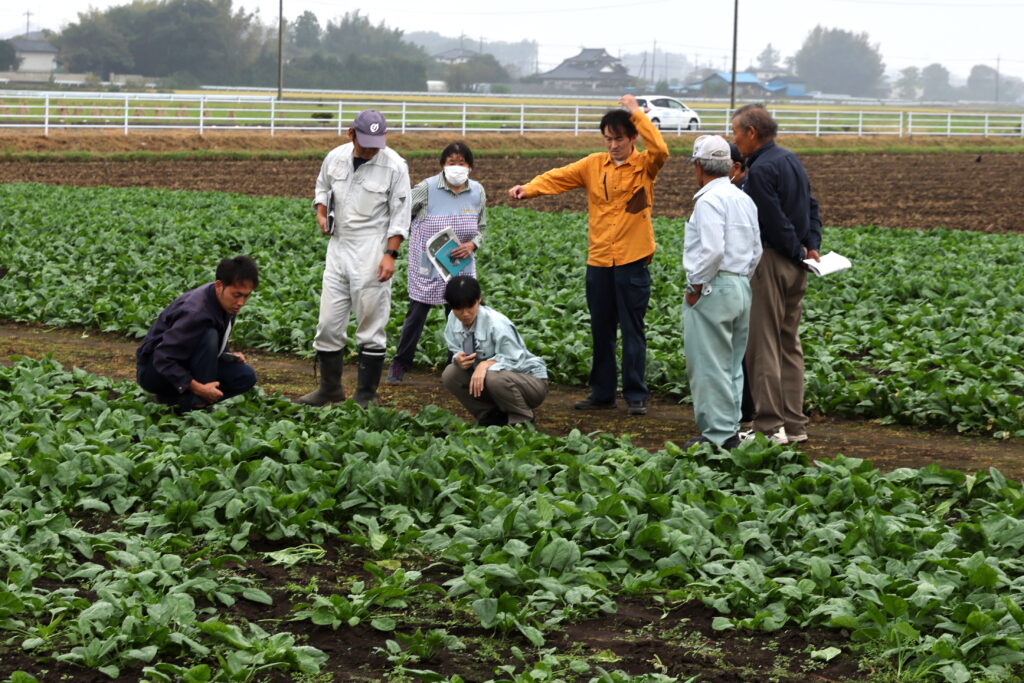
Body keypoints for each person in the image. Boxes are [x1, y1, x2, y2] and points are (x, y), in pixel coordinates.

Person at [507, 94, 668, 416]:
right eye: (608, 139)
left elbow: (661, 149)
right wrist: (530, 188)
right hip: (599, 261)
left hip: (632, 261)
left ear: (632, 137)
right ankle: (603, 393)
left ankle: (636, 395)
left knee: (633, 330)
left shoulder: (645, 166)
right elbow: (559, 176)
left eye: (618, 139)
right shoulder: (594, 165)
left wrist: (636, 113)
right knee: (601, 329)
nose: (612, 146)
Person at [298, 109, 411, 408]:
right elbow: (322, 187)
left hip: (372, 248)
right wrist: (321, 213)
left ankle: (365, 395)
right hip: (338, 247)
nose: (372, 149)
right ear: (351, 134)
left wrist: (390, 254)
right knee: (328, 323)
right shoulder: (334, 157)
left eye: (377, 143)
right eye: (366, 143)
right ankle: (330, 389)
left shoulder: (395, 166)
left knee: (371, 324)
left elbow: (400, 216)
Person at [731, 104, 822, 445]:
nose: (734, 139)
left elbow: (771, 220)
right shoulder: (790, 160)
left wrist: (793, 249)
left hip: (771, 260)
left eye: (736, 131)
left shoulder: (761, 170)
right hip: (798, 265)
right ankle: (795, 425)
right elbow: (811, 205)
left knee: (762, 347)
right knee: (789, 345)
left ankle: (770, 428)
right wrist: (810, 246)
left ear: (751, 133)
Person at [681, 136, 762, 450]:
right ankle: (729, 430)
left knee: (708, 363)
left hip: (714, 285)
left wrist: (696, 286)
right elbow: (755, 250)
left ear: (699, 167)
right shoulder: (743, 198)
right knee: (730, 363)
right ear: (730, 166)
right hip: (741, 284)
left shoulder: (709, 200)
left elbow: (712, 250)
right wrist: (740, 278)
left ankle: (716, 435)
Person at [386, 142, 487, 384]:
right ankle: (400, 364)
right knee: (416, 315)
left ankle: (456, 366)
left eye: (462, 163)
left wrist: (472, 244)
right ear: (442, 165)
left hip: (460, 266)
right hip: (427, 265)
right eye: (452, 162)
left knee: (461, 315)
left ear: (470, 167)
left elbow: (481, 227)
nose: (457, 167)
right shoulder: (427, 188)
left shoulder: (477, 191)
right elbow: (401, 215)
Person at [136, 255, 259, 411]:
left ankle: (177, 401)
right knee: (209, 335)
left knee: (245, 376)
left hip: (186, 362)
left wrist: (227, 354)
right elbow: (163, 358)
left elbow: (207, 340)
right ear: (219, 285)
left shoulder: (225, 301)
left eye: (246, 295)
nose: (241, 302)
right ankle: (197, 402)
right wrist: (199, 388)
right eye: (237, 295)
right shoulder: (196, 312)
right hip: (154, 371)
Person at [441, 275, 548, 427]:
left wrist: (485, 365)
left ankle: (522, 419)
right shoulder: (453, 318)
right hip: (497, 382)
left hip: (530, 382)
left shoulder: (496, 323)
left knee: (493, 376)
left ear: (479, 299)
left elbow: (516, 359)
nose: (465, 313)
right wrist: (459, 358)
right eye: (458, 308)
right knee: (451, 374)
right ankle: (490, 416)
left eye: (470, 306)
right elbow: (454, 346)